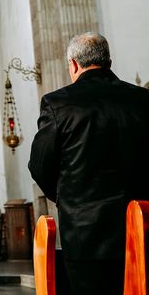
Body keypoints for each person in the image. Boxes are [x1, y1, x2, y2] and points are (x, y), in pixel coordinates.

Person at [29, 32, 149, 295]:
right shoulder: (143, 100)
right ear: (108, 61)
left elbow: (39, 165)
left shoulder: (57, 103)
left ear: (73, 64)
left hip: (85, 233)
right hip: (140, 229)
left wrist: (68, 197)